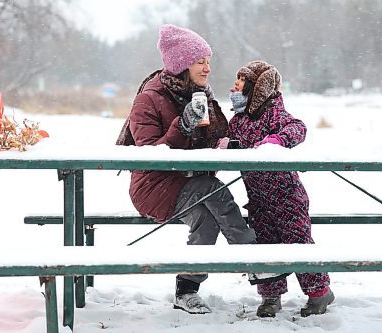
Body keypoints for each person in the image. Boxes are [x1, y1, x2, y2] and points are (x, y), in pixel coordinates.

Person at [116, 25, 279, 314]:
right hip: (153, 186)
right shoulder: (149, 98)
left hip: (191, 184)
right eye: (200, 62)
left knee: (207, 215)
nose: (207, 69)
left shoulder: (201, 93)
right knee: (210, 190)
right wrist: (183, 125)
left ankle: (186, 291)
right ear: (181, 64)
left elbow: (211, 141)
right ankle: (253, 258)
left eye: (208, 62)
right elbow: (149, 155)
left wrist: (228, 143)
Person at [218, 60, 335, 318]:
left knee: (298, 243)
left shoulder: (274, 113)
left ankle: (319, 292)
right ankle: (271, 296)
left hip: (286, 195)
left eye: (239, 83)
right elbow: (241, 146)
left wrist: (277, 141)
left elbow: (298, 128)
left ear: (255, 88)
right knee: (265, 246)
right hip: (258, 198)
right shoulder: (238, 120)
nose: (233, 87)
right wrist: (226, 146)